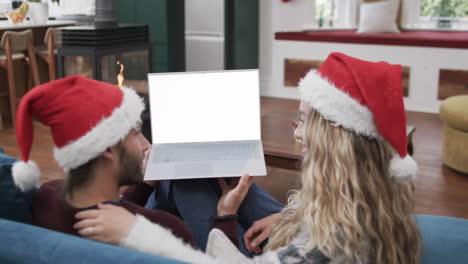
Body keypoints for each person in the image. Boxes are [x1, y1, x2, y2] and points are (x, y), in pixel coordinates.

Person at [75, 52, 422, 263]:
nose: (297, 132)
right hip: (289, 231)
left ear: (336, 141)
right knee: (199, 176)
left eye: (302, 121)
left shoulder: (329, 244)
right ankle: (158, 182)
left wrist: (223, 217)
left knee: (185, 182)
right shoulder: (371, 198)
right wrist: (293, 217)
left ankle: (153, 188)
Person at [10, 76, 255, 252]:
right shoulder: (163, 230)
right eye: (137, 132)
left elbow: (112, 207)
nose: (147, 144)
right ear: (107, 148)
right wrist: (226, 216)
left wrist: (145, 184)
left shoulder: (46, 196)